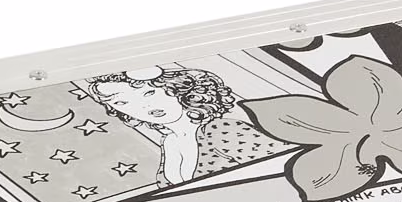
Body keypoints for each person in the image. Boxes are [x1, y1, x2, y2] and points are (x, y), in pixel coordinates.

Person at [85, 67, 276, 187]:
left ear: (175, 88)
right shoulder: (169, 141)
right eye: (122, 103)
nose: (143, 106)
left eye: (148, 93)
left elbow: (282, 166)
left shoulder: (221, 128)